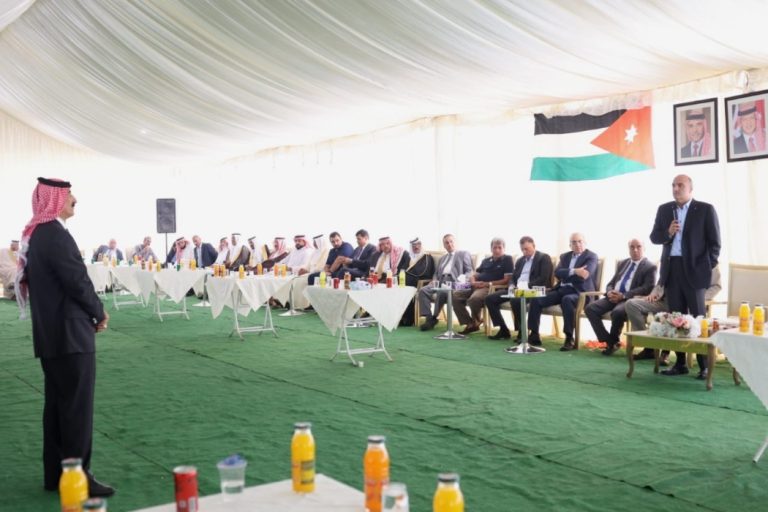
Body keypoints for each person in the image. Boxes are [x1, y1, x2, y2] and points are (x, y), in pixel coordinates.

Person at [18, 177, 114, 497]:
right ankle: (78, 478)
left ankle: (56, 475)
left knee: (58, 407)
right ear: (55, 199)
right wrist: (98, 312)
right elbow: (77, 281)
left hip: (52, 335)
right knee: (76, 410)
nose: (75, 199)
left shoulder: (38, 235)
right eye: (70, 194)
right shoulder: (55, 235)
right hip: (71, 335)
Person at [651, 174, 720, 378]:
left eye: (680, 185)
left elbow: (715, 243)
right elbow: (654, 237)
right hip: (672, 269)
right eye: (673, 185)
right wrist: (668, 232)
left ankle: (704, 365)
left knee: (698, 318)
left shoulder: (705, 209)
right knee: (676, 318)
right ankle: (680, 363)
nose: (676, 189)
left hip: (695, 270)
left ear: (690, 188)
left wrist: (706, 266)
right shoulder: (664, 209)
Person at [626, 266, 722, 364]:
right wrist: (653, 293)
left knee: (674, 315)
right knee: (631, 304)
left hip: (686, 303)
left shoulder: (707, 261)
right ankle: (649, 346)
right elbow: (661, 281)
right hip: (662, 300)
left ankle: (665, 353)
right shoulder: (672, 259)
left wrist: (698, 297)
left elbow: (717, 286)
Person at [526, 233, 598, 351]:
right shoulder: (565, 256)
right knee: (536, 298)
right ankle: (534, 334)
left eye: (580, 241)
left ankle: (569, 338)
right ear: (570, 245)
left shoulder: (591, 256)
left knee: (567, 299)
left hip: (580, 293)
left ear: (585, 243)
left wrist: (566, 274)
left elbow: (585, 275)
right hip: (561, 290)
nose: (577, 244)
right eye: (574, 242)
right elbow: (557, 273)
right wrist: (575, 271)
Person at [584, 239, 656, 356]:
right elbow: (611, 283)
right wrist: (609, 292)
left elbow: (647, 288)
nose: (635, 250)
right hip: (613, 296)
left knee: (617, 312)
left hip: (630, 300)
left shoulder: (650, 266)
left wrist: (623, 296)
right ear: (628, 249)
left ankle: (613, 342)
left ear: (644, 248)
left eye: (638, 247)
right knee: (590, 308)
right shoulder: (623, 263)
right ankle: (610, 341)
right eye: (632, 247)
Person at [485, 236, 553, 341]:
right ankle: (503, 330)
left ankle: (522, 331)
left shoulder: (543, 258)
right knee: (490, 299)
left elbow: (543, 278)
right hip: (517, 289)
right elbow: (513, 278)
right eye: (522, 249)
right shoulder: (520, 260)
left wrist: (526, 286)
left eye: (527, 249)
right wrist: (512, 285)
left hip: (533, 290)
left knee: (516, 300)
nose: (524, 252)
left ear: (534, 246)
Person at [452, 237, 514, 335]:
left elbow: (507, 280)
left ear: (504, 249)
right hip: (475, 284)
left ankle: (475, 322)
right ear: (491, 249)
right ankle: (470, 323)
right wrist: (473, 282)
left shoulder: (507, 259)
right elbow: (475, 274)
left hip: (489, 287)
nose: (497, 250)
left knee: (474, 299)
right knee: (455, 294)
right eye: (494, 248)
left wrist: (487, 284)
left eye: (500, 248)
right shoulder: (486, 260)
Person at [419, 234, 473, 331]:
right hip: (441, 281)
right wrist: (434, 280)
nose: (449, 244)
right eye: (446, 243)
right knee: (423, 290)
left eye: (451, 241)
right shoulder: (442, 258)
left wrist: (461, 279)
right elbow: (436, 273)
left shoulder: (463, 254)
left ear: (455, 242)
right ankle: (429, 318)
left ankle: (434, 317)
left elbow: (470, 271)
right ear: (444, 245)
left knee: (442, 292)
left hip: (455, 282)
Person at [401, 237, 436, 326]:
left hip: (422, 282)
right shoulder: (409, 257)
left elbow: (425, 272)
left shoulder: (427, 257)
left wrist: (408, 276)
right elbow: (403, 270)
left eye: (418, 244)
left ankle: (409, 319)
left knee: (406, 286)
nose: (416, 247)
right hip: (409, 281)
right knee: (399, 286)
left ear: (422, 245)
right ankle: (401, 317)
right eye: (414, 245)